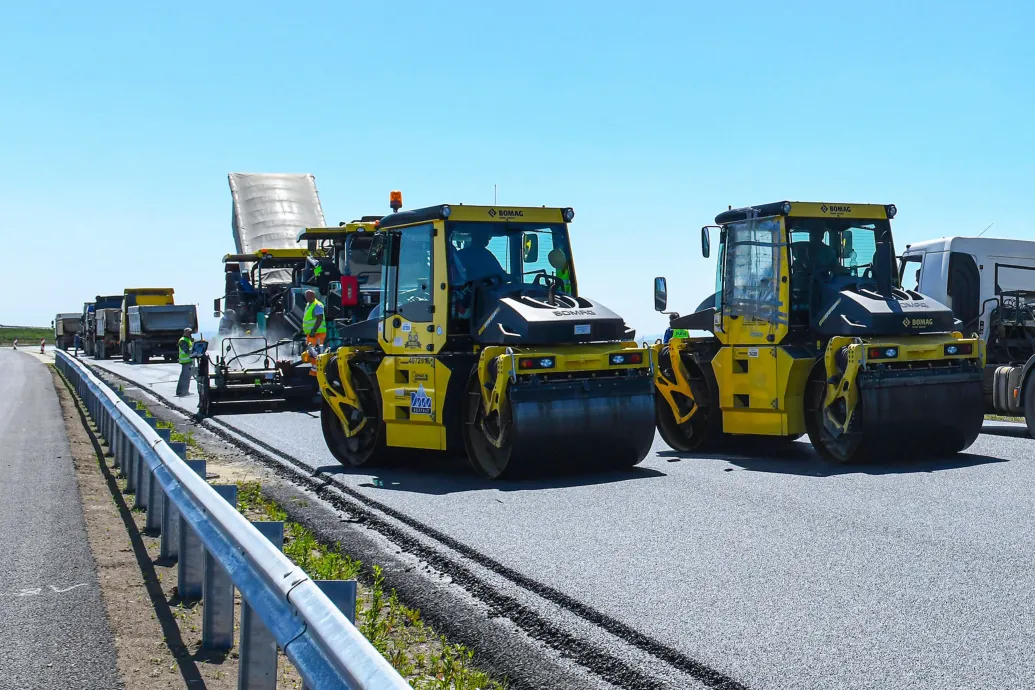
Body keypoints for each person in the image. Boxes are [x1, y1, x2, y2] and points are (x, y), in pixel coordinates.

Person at [302, 289, 326, 358]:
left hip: (318, 334)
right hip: (311, 335)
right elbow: (306, 320)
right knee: (311, 354)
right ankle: (313, 368)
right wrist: (300, 331)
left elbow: (320, 318)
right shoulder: (308, 305)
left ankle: (316, 368)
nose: (308, 298)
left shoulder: (317, 305)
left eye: (309, 296)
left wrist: (314, 330)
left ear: (313, 296)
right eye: (306, 296)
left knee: (316, 354)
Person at [175, 328, 194, 397]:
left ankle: (185, 391)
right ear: (185, 332)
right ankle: (180, 392)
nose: (190, 334)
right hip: (185, 361)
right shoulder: (182, 340)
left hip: (188, 361)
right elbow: (186, 350)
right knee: (184, 377)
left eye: (191, 333)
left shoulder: (188, 340)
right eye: (189, 333)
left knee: (187, 377)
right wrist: (194, 349)